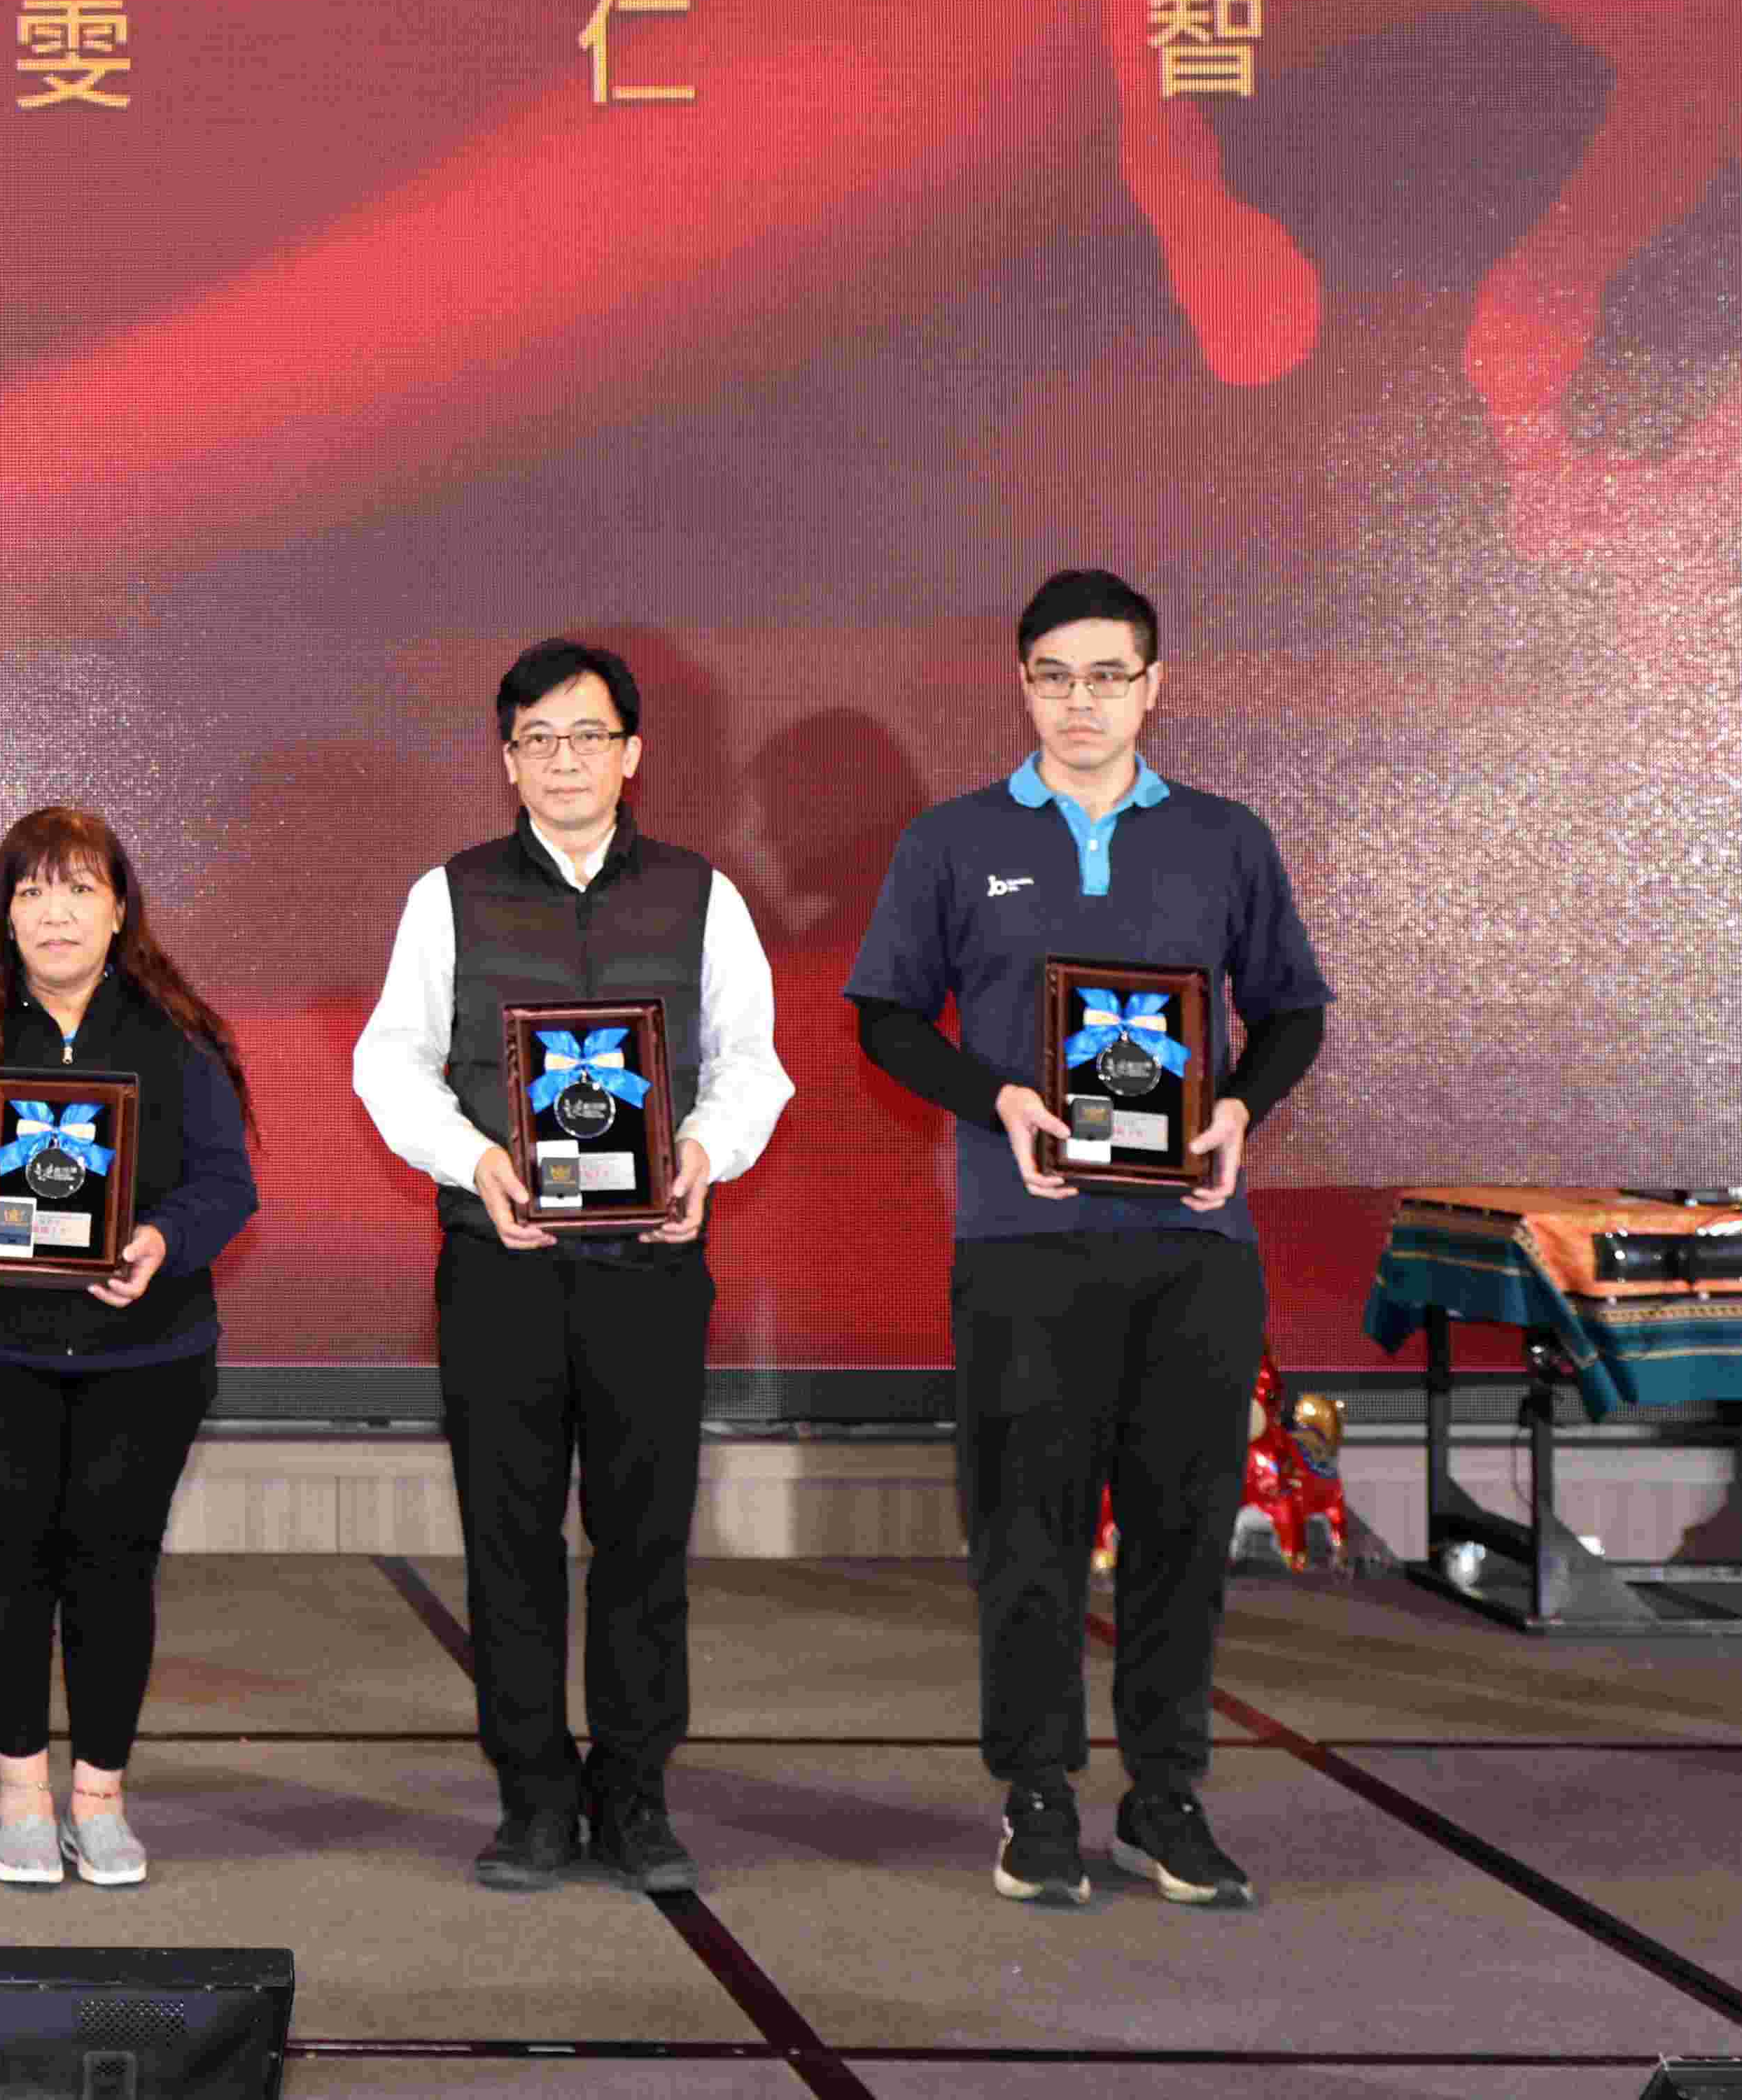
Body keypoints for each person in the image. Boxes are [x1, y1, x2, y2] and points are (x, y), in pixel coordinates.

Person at [845, 568, 1326, 1912]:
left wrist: (1236, 1107)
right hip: (1022, 1240)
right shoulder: (951, 841)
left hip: (1194, 1244)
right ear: (1022, 686)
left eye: (1107, 675)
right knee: (1026, 1534)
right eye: (1054, 676)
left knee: (1183, 1532)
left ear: (1152, 686)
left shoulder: (1224, 839)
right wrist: (996, 1101)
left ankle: (1165, 1797)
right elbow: (885, 1017)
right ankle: (1037, 1796)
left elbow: (1291, 1009)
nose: (1080, 701)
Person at [351, 639, 792, 1896]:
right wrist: (472, 1159)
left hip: (651, 1269)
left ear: (631, 753)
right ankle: (533, 1798)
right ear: (506, 761)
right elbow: (390, 1061)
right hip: (500, 1266)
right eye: (536, 739)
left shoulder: (702, 895)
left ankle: (637, 1795)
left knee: (644, 1540)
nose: (563, 760)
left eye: (586, 736)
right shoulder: (449, 895)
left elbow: (752, 1063)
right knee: (510, 1542)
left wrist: (704, 1153)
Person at [0, 807, 258, 1889]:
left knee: (113, 1574)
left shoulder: (176, 1036)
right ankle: (20, 1797)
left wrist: (163, 1242)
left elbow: (226, 1185)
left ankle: (99, 1799)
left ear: (119, 909)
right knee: (5, 1566)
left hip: (145, 1356)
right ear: (4, 914)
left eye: (79, 889)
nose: (55, 913)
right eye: (32, 891)